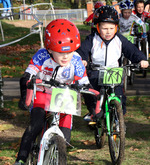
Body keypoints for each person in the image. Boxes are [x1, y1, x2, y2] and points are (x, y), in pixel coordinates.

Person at [14, 19, 97, 165]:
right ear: (50, 49)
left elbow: (86, 85)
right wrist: (24, 97)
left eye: (70, 51)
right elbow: (27, 76)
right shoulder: (41, 56)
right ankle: (21, 159)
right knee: (35, 125)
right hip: (42, 93)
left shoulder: (76, 61)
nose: (66, 57)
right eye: (60, 52)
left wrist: (93, 108)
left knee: (65, 137)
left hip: (65, 96)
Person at [76, 6, 149, 116]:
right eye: (105, 28)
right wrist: (83, 59)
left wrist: (141, 59)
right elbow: (83, 50)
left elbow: (132, 50)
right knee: (91, 94)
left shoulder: (119, 39)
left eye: (111, 28)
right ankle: (93, 113)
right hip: (96, 71)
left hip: (114, 72)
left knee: (119, 96)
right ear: (98, 27)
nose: (108, 32)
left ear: (116, 27)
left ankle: (118, 120)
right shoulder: (92, 39)